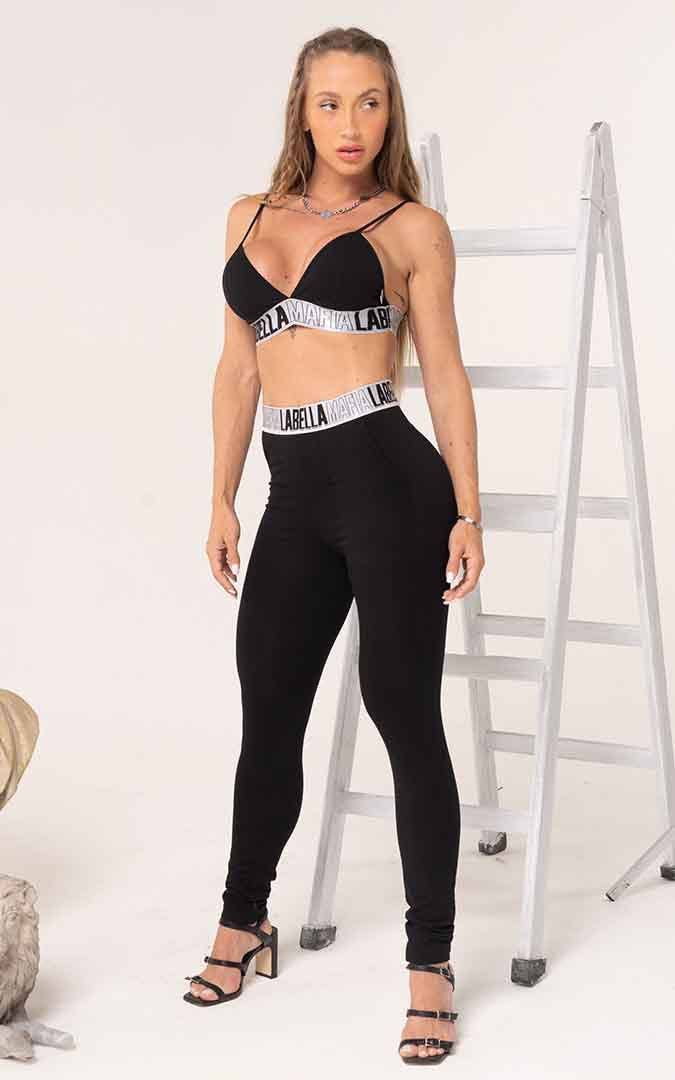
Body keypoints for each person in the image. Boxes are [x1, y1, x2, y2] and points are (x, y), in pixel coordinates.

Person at [183, 26, 485, 1064]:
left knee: (404, 717)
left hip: (391, 486)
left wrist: (468, 509)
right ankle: (243, 920)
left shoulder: (413, 227)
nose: (350, 123)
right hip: (293, 492)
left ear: (389, 111)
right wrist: (221, 497)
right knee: (268, 715)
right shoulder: (248, 217)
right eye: (329, 102)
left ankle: (430, 966)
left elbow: (444, 371)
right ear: (300, 112)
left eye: (369, 101)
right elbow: (237, 370)